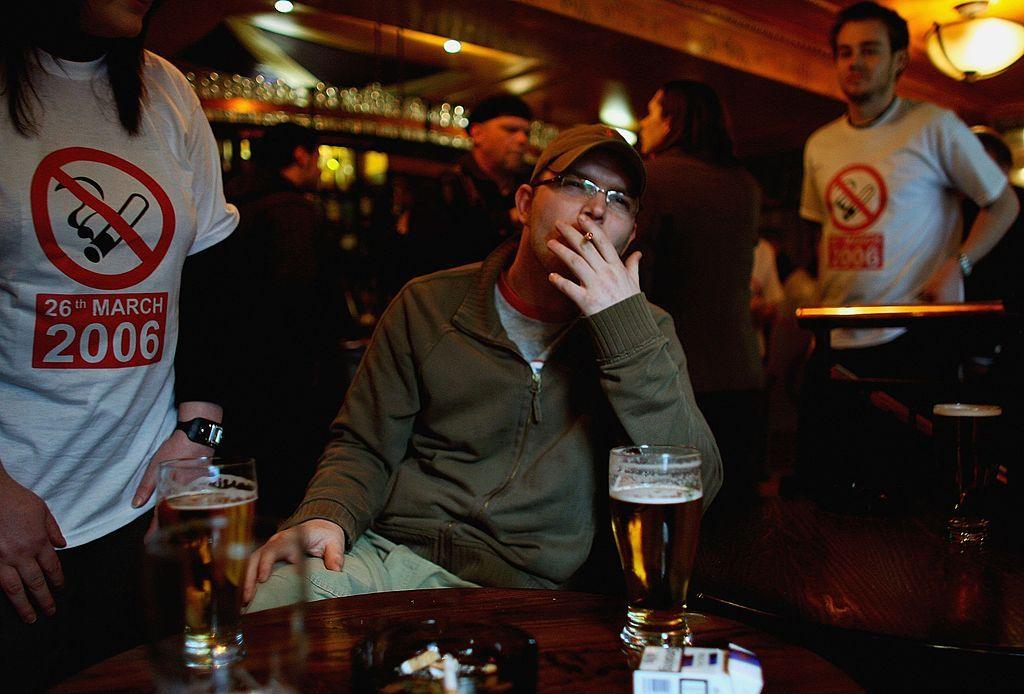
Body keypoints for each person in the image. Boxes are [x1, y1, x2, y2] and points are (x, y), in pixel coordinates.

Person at [243, 125, 722, 609]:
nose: (597, 208)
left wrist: (624, 333)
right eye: (577, 184)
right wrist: (329, 514)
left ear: (631, 235)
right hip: (393, 557)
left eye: (618, 199)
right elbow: (364, 445)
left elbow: (696, 483)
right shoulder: (428, 305)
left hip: (534, 593)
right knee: (274, 600)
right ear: (524, 203)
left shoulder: (648, 332)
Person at [0, 0, 238, 685]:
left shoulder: (166, 91)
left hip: (139, 505)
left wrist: (199, 430)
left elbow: (216, 282)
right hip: (19, 508)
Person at [796, 1, 1019, 501]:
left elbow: (1003, 203)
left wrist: (957, 263)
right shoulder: (820, 144)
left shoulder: (934, 125)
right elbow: (820, 232)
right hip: (831, 337)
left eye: (870, 50)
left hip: (909, 334)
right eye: (845, 52)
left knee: (907, 498)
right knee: (823, 494)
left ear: (899, 61)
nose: (854, 62)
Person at [634, 80, 764, 502]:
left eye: (651, 112)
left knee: (676, 524)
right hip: (742, 373)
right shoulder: (746, 185)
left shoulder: (652, 179)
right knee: (739, 522)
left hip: (678, 376)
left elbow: (639, 284)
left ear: (673, 119)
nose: (642, 122)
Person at [217, 123, 348, 518]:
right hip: (286, 383)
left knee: (243, 491)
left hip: (232, 376)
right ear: (302, 155)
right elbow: (301, 301)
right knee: (285, 494)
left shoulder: (229, 203)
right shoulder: (292, 212)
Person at [399, 94, 533, 284]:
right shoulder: (445, 188)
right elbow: (427, 261)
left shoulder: (530, 186)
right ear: (478, 134)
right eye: (510, 129)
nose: (521, 139)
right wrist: (508, 219)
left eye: (526, 133)